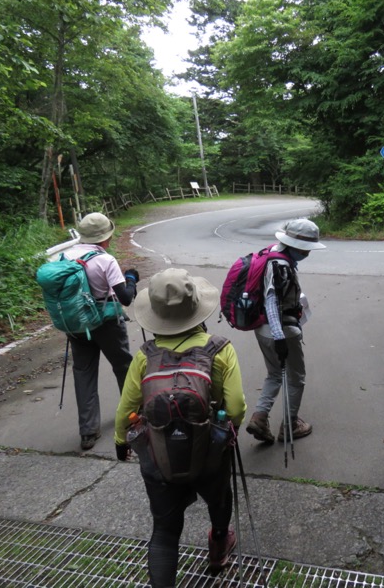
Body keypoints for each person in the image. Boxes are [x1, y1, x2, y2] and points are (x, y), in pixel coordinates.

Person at [114, 269, 246, 584]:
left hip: (160, 458)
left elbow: (125, 410)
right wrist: (226, 432)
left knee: (164, 530)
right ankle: (218, 545)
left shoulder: (145, 356)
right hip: (209, 454)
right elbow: (237, 405)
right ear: (197, 307)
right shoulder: (220, 348)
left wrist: (122, 442)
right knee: (219, 499)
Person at [245, 218, 325, 443]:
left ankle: (260, 418)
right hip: (281, 330)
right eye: (305, 249)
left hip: (260, 327)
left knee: (273, 374)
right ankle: (290, 425)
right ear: (293, 245)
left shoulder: (270, 253)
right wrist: (280, 336)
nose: (308, 253)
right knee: (296, 377)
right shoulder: (280, 266)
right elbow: (271, 300)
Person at [67, 212, 139, 451]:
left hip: (77, 324)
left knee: (83, 372)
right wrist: (131, 279)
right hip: (106, 322)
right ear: (105, 237)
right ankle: (132, 419)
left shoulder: (65, 256)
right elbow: (126, 298)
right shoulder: (105, 260)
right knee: (124, 367)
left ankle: (88, 432)